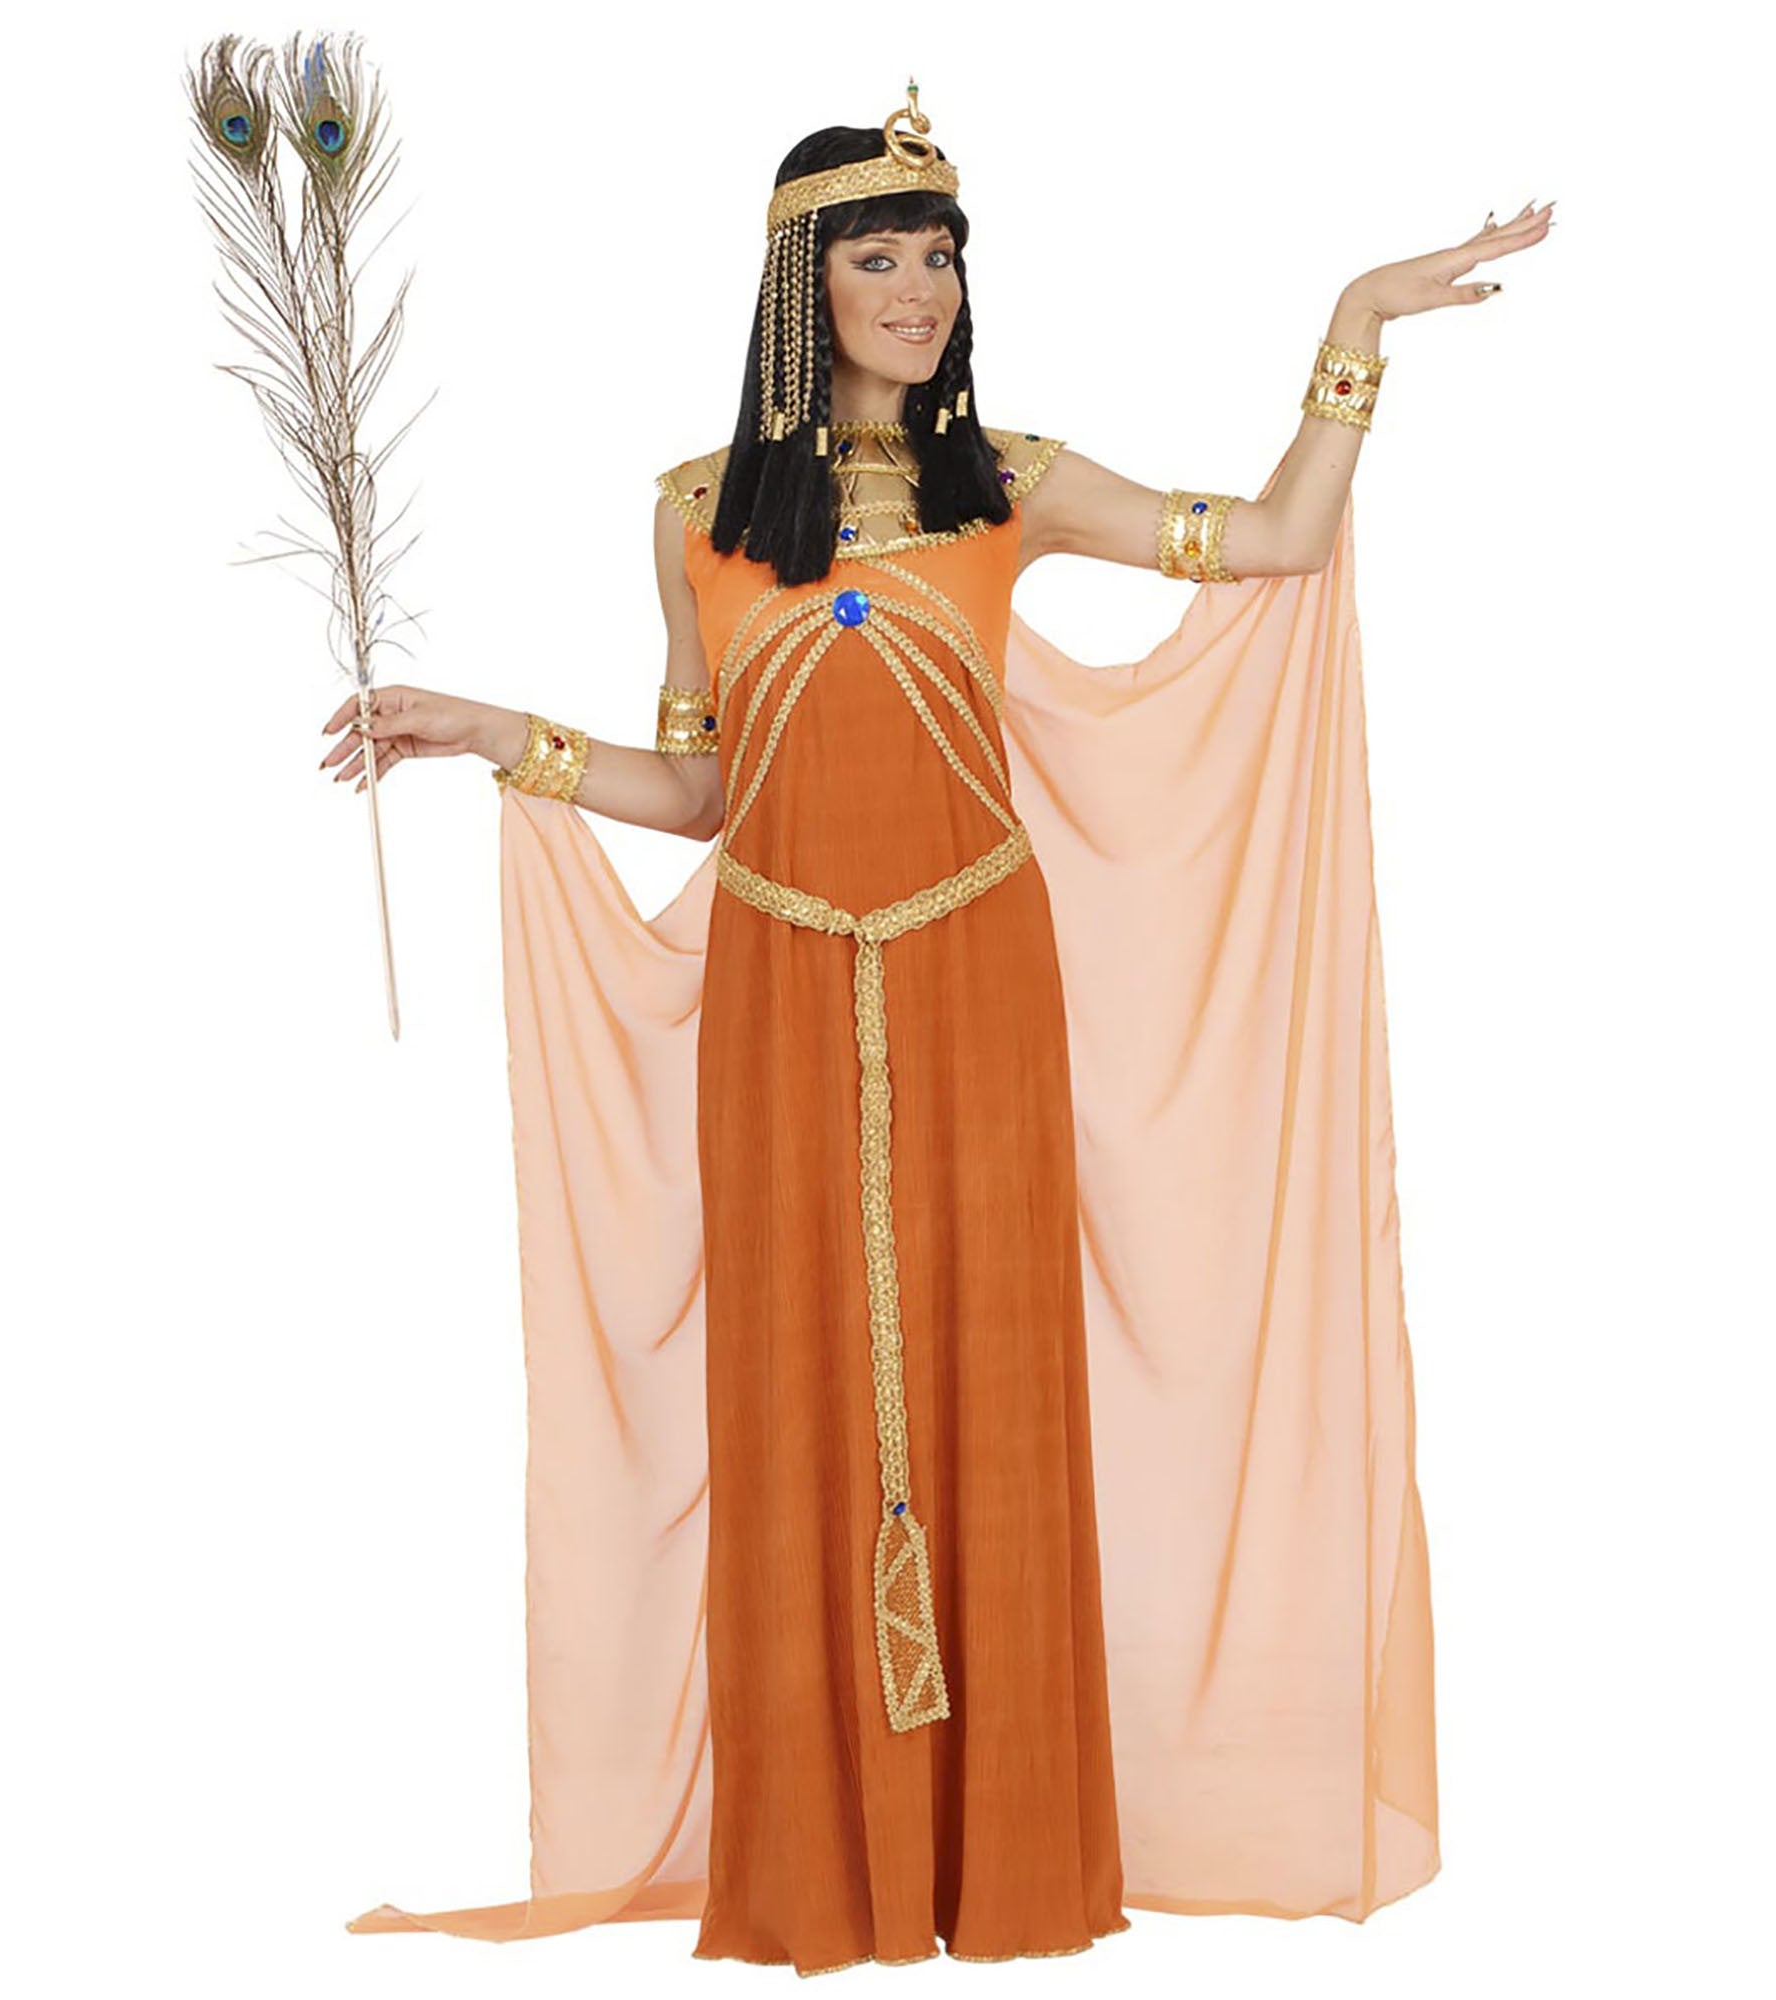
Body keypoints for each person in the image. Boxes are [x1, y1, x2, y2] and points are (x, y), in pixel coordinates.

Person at [328, 84, 1553, 1976]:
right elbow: (706, 792)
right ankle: (828, 1872)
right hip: (778, 991)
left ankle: (1007, 1859)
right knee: (800, 1392)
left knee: (991, 1384)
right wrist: (502, 735)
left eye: (941, 257)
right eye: (881, 259)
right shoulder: (698, 515)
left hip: (978, 981)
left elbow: (1274, 541)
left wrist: (1354, 328)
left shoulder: (1010, 482)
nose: (920, 289)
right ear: (801, 289)